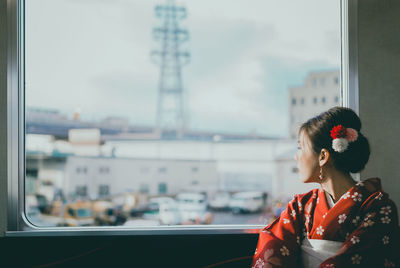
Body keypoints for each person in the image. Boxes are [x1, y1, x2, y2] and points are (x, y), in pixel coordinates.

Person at [252, 107, 399, 268]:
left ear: (323, 156)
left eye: (300, 148)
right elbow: (273, 248)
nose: (296, 156)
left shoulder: (379, 208)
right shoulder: (300, 206)